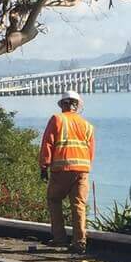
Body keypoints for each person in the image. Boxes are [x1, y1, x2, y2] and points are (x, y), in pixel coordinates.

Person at [39, 90, 95, 252]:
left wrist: (44, 166)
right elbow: (90, 152)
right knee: (78, 205)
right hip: (83, 170)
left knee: (54, 200)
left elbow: (47, 144)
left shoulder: (57, 119)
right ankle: (79, 242)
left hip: (62, 169)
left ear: (63, 105)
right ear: (77, 106)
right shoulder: (88, 126)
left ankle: (59, 239)